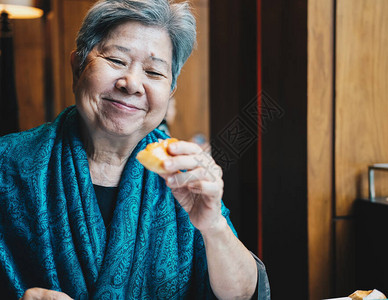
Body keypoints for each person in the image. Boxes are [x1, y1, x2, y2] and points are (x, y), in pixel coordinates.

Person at [0, 0, 270, 299]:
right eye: (116, 60)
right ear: (78, 67)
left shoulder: (182, 170)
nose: (132, 84)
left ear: (170, 92)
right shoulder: (8, 163)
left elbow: (244, 294)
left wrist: (214, 226)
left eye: (154, 73)